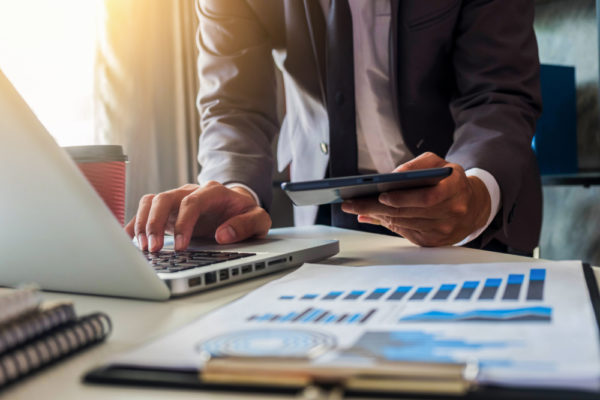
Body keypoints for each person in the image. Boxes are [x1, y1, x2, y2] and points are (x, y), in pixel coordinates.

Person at [125, 0, 542, 256]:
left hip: (463, 220)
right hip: (322, 225)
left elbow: (498, 95)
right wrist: (232, 187)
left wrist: (474, 192)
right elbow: (232, 104)